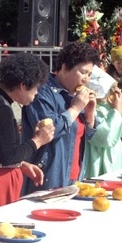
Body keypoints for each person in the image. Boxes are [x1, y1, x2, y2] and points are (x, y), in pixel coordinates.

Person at [0, 53, 54, 212]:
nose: (36, 93)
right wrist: (37, 141)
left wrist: (21, 163)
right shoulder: (0, 107)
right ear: (23, 85)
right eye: (36, 87)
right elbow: (8, 156)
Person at [21, 41, 99, 194]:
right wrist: (75, 108)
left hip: (75, 175)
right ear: (64, 67)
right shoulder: (43, 92)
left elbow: (87, 136)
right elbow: (48, 131)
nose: (86, 79)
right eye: (82, 72)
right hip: (48, 176)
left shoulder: (75, 96)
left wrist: (89, 114)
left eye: (89, 74)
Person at [83, 69, 122, 177]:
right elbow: (106, 138)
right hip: (95, 157)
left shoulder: (113, 104)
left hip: (115, 155)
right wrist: (116, 111)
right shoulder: (89, 107)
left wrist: (120, 109)